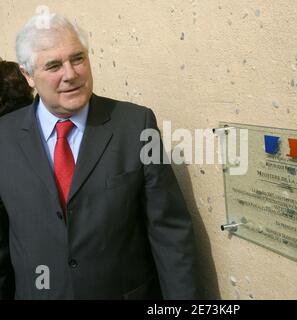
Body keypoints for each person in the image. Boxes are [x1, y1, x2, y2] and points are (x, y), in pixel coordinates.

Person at [0, 13, 198, 299]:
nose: (70, 74)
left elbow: (170, 235)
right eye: (54, 65)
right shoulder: (4, 136)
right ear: (28, 75)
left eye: (77, 58)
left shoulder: (136, 125)